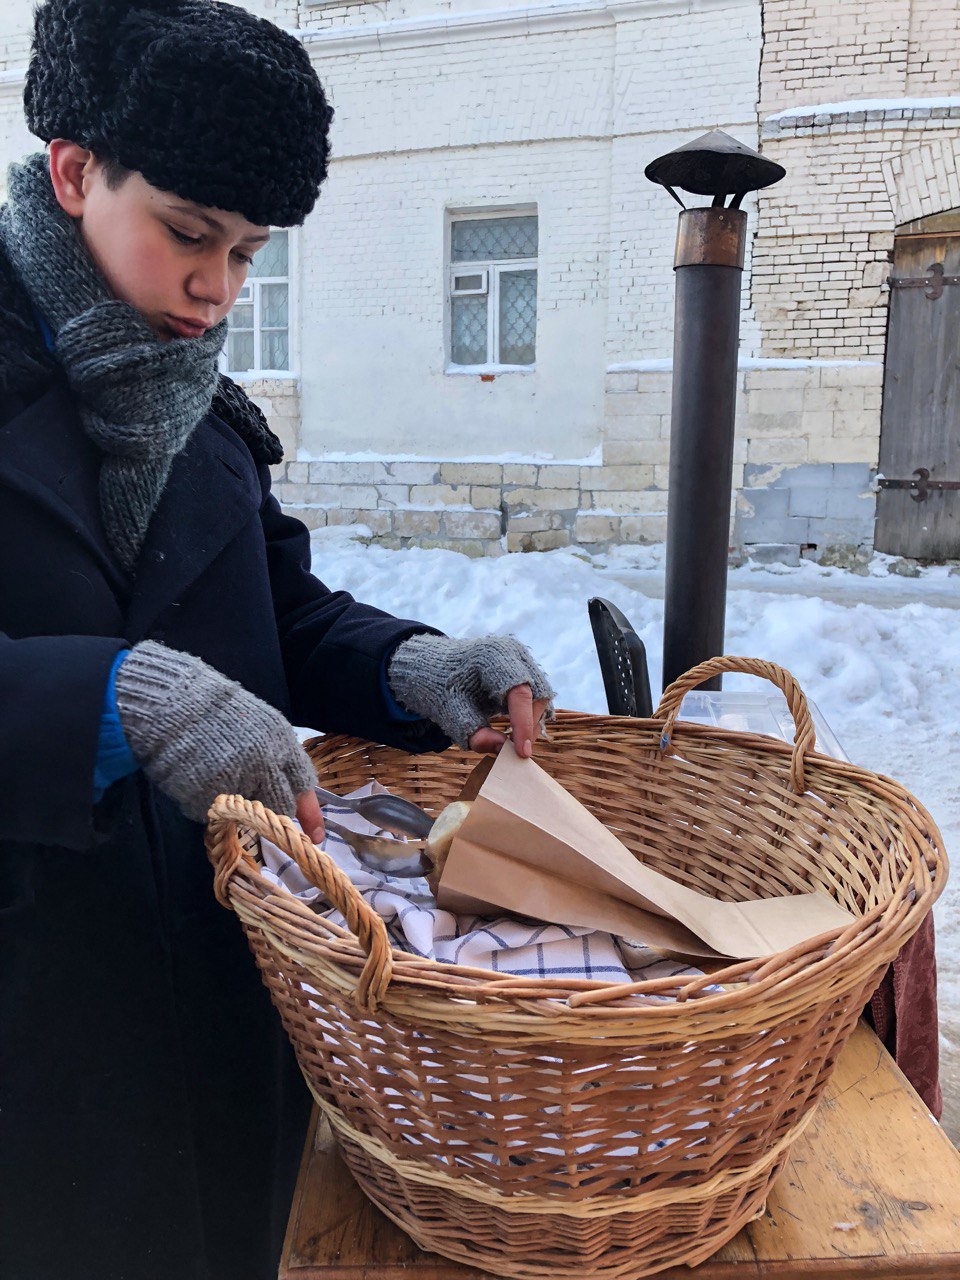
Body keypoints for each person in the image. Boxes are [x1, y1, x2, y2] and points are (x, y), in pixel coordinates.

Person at [0, 3, 554, 1278]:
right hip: (40, 1011)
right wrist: (111, 701)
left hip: (221, 988)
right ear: (74, 173)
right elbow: (142, 676)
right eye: (191, 233)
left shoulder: (200, 412)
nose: (220, 287)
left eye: (251, 252)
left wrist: (412, 665)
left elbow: (280, 612)